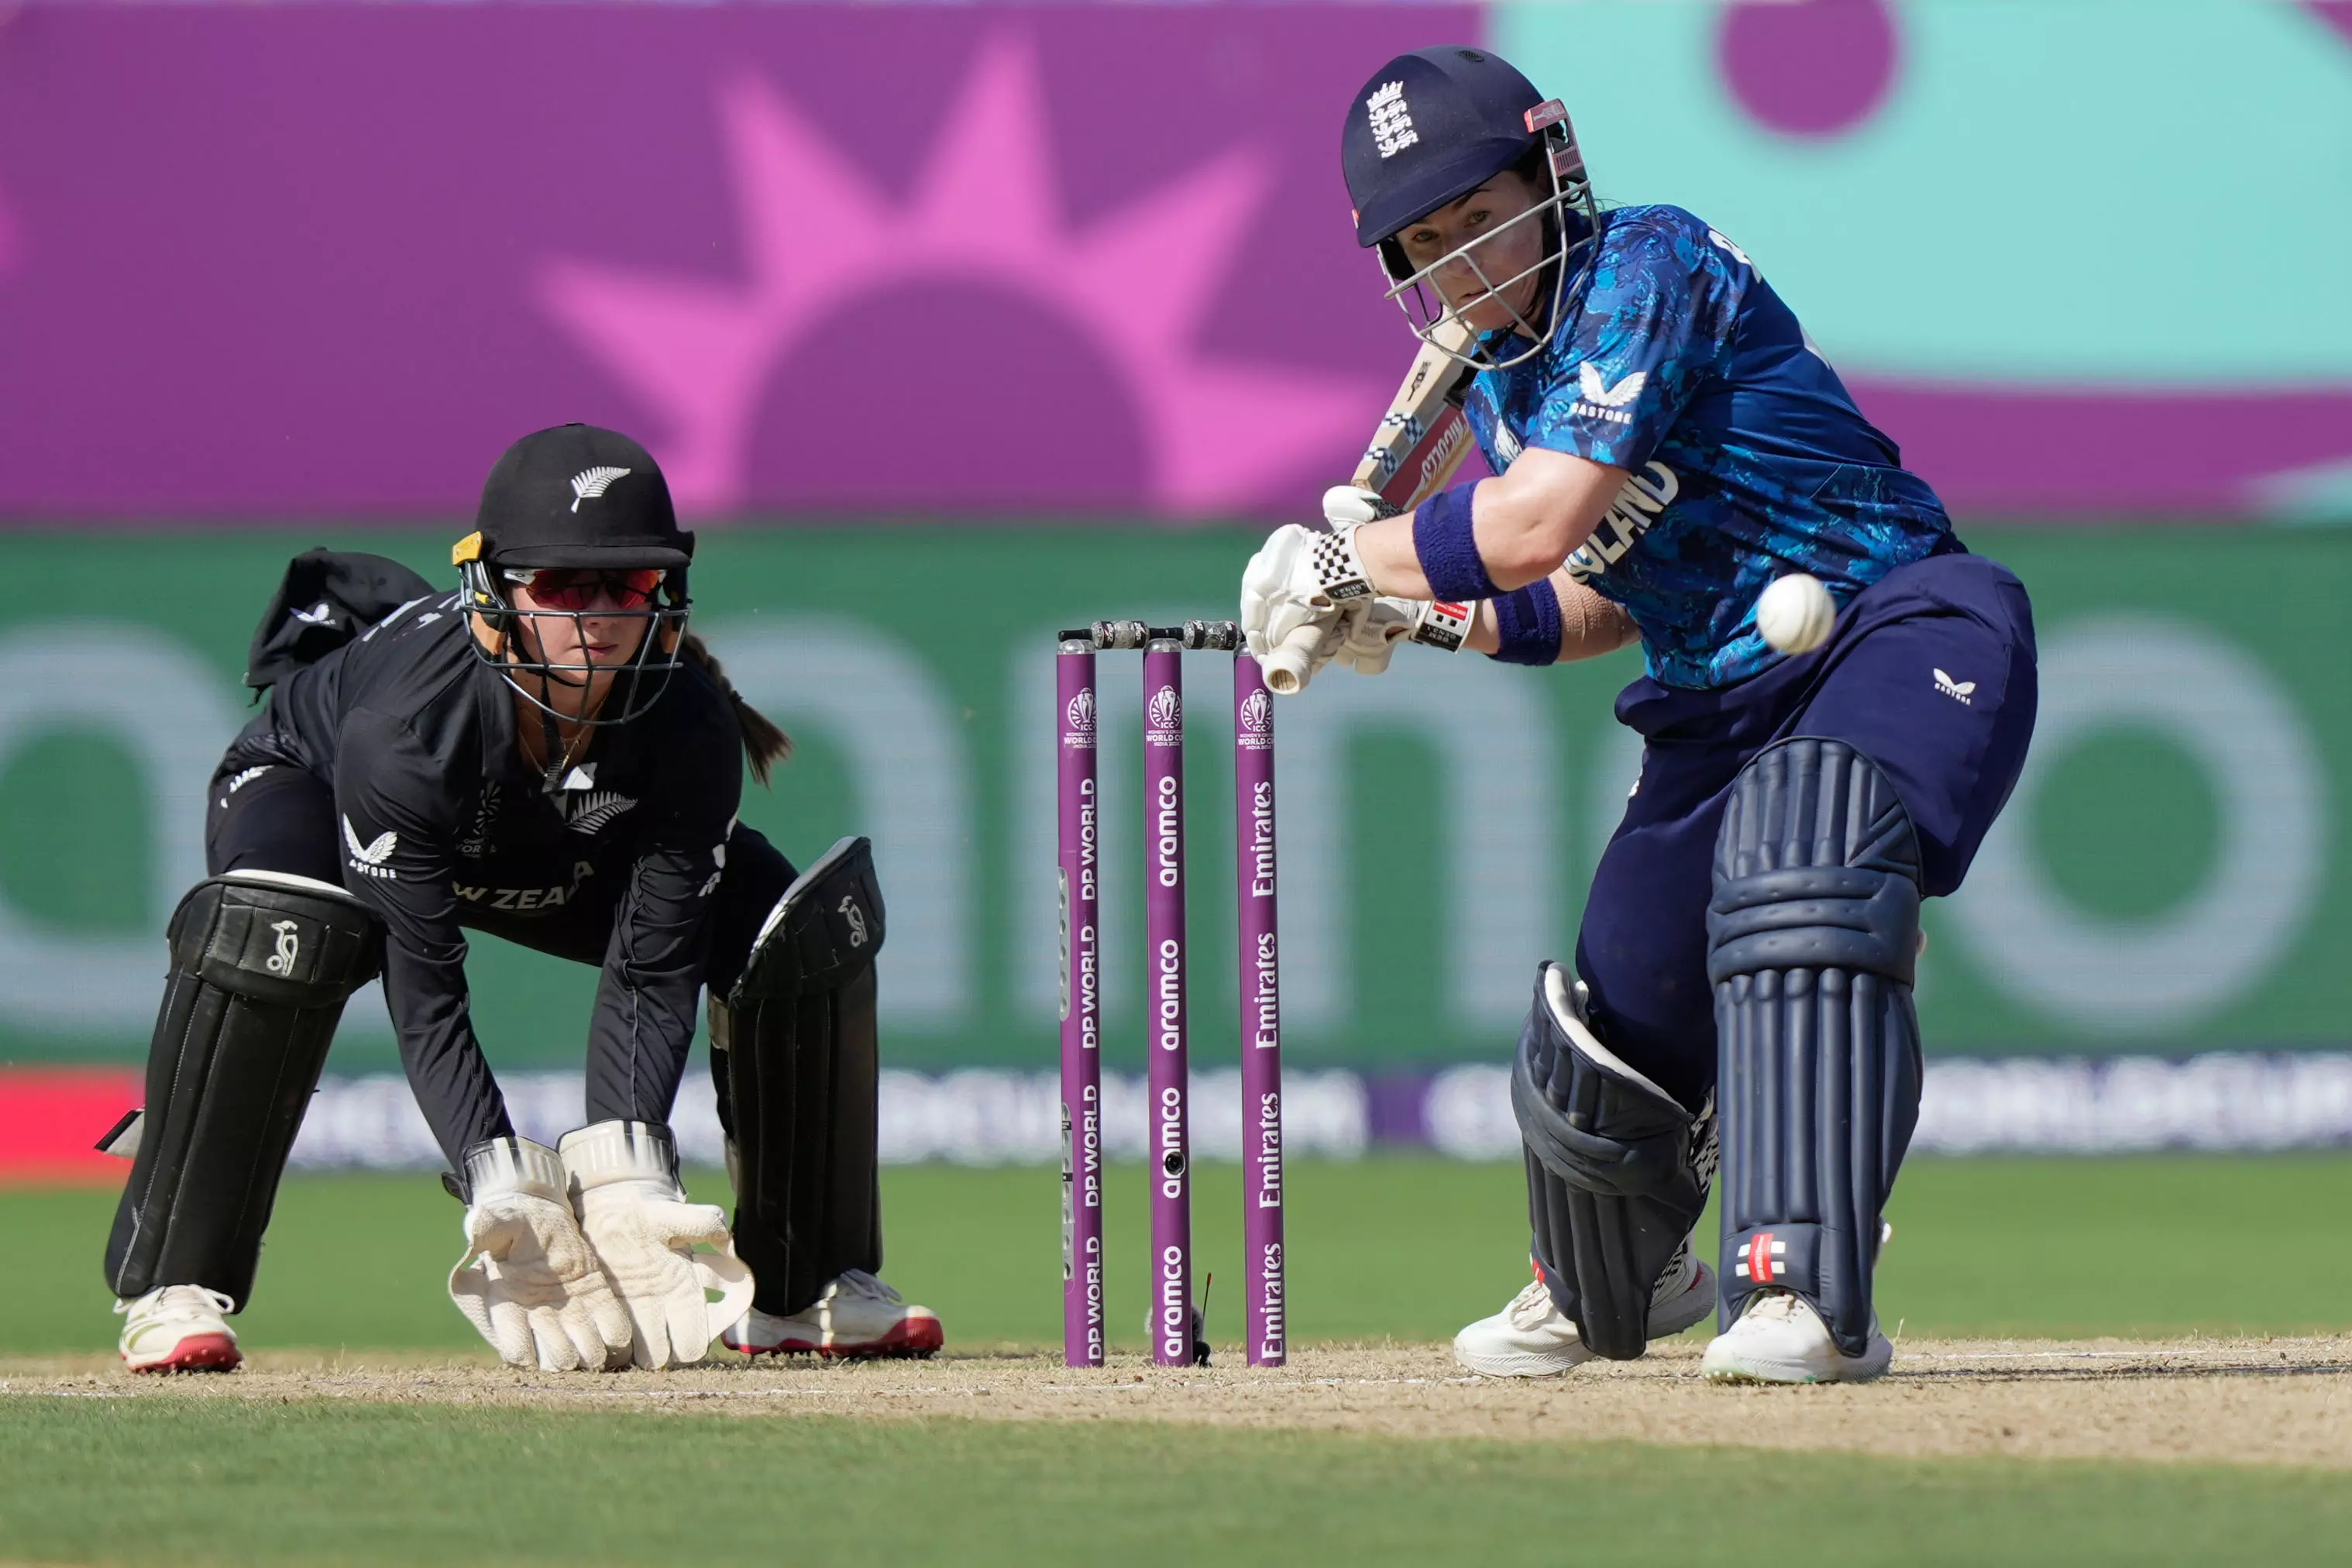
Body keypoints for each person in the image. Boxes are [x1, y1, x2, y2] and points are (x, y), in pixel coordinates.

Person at [1241, 47, 2036, 1383]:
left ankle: (1802, 1287)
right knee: (1622, 995)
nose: (1465, 264)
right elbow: (1585, 595)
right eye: (1431, 244)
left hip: (1892, 619)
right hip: (1716, 693)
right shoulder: (1505, 394)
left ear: (1552, 174)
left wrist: (1343, 561)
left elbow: (1534, 521)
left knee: (1807, 856)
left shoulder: (1642, 266)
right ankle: (1620, 1270)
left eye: (1478, 215)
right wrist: (1412, 612)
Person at [103, 424, 940, 1373]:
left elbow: (651, 965)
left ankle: (800, 1288)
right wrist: (497, 1174)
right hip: (312, 785)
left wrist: (627, 1164)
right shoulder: (406, 730)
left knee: (791, 934)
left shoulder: (691, 729)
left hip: (544, 842)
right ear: (495, 595)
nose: (597, 615)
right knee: (278, 922)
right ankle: (169, 1286)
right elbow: (425, 993)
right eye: (562, 587)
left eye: (625, 586)